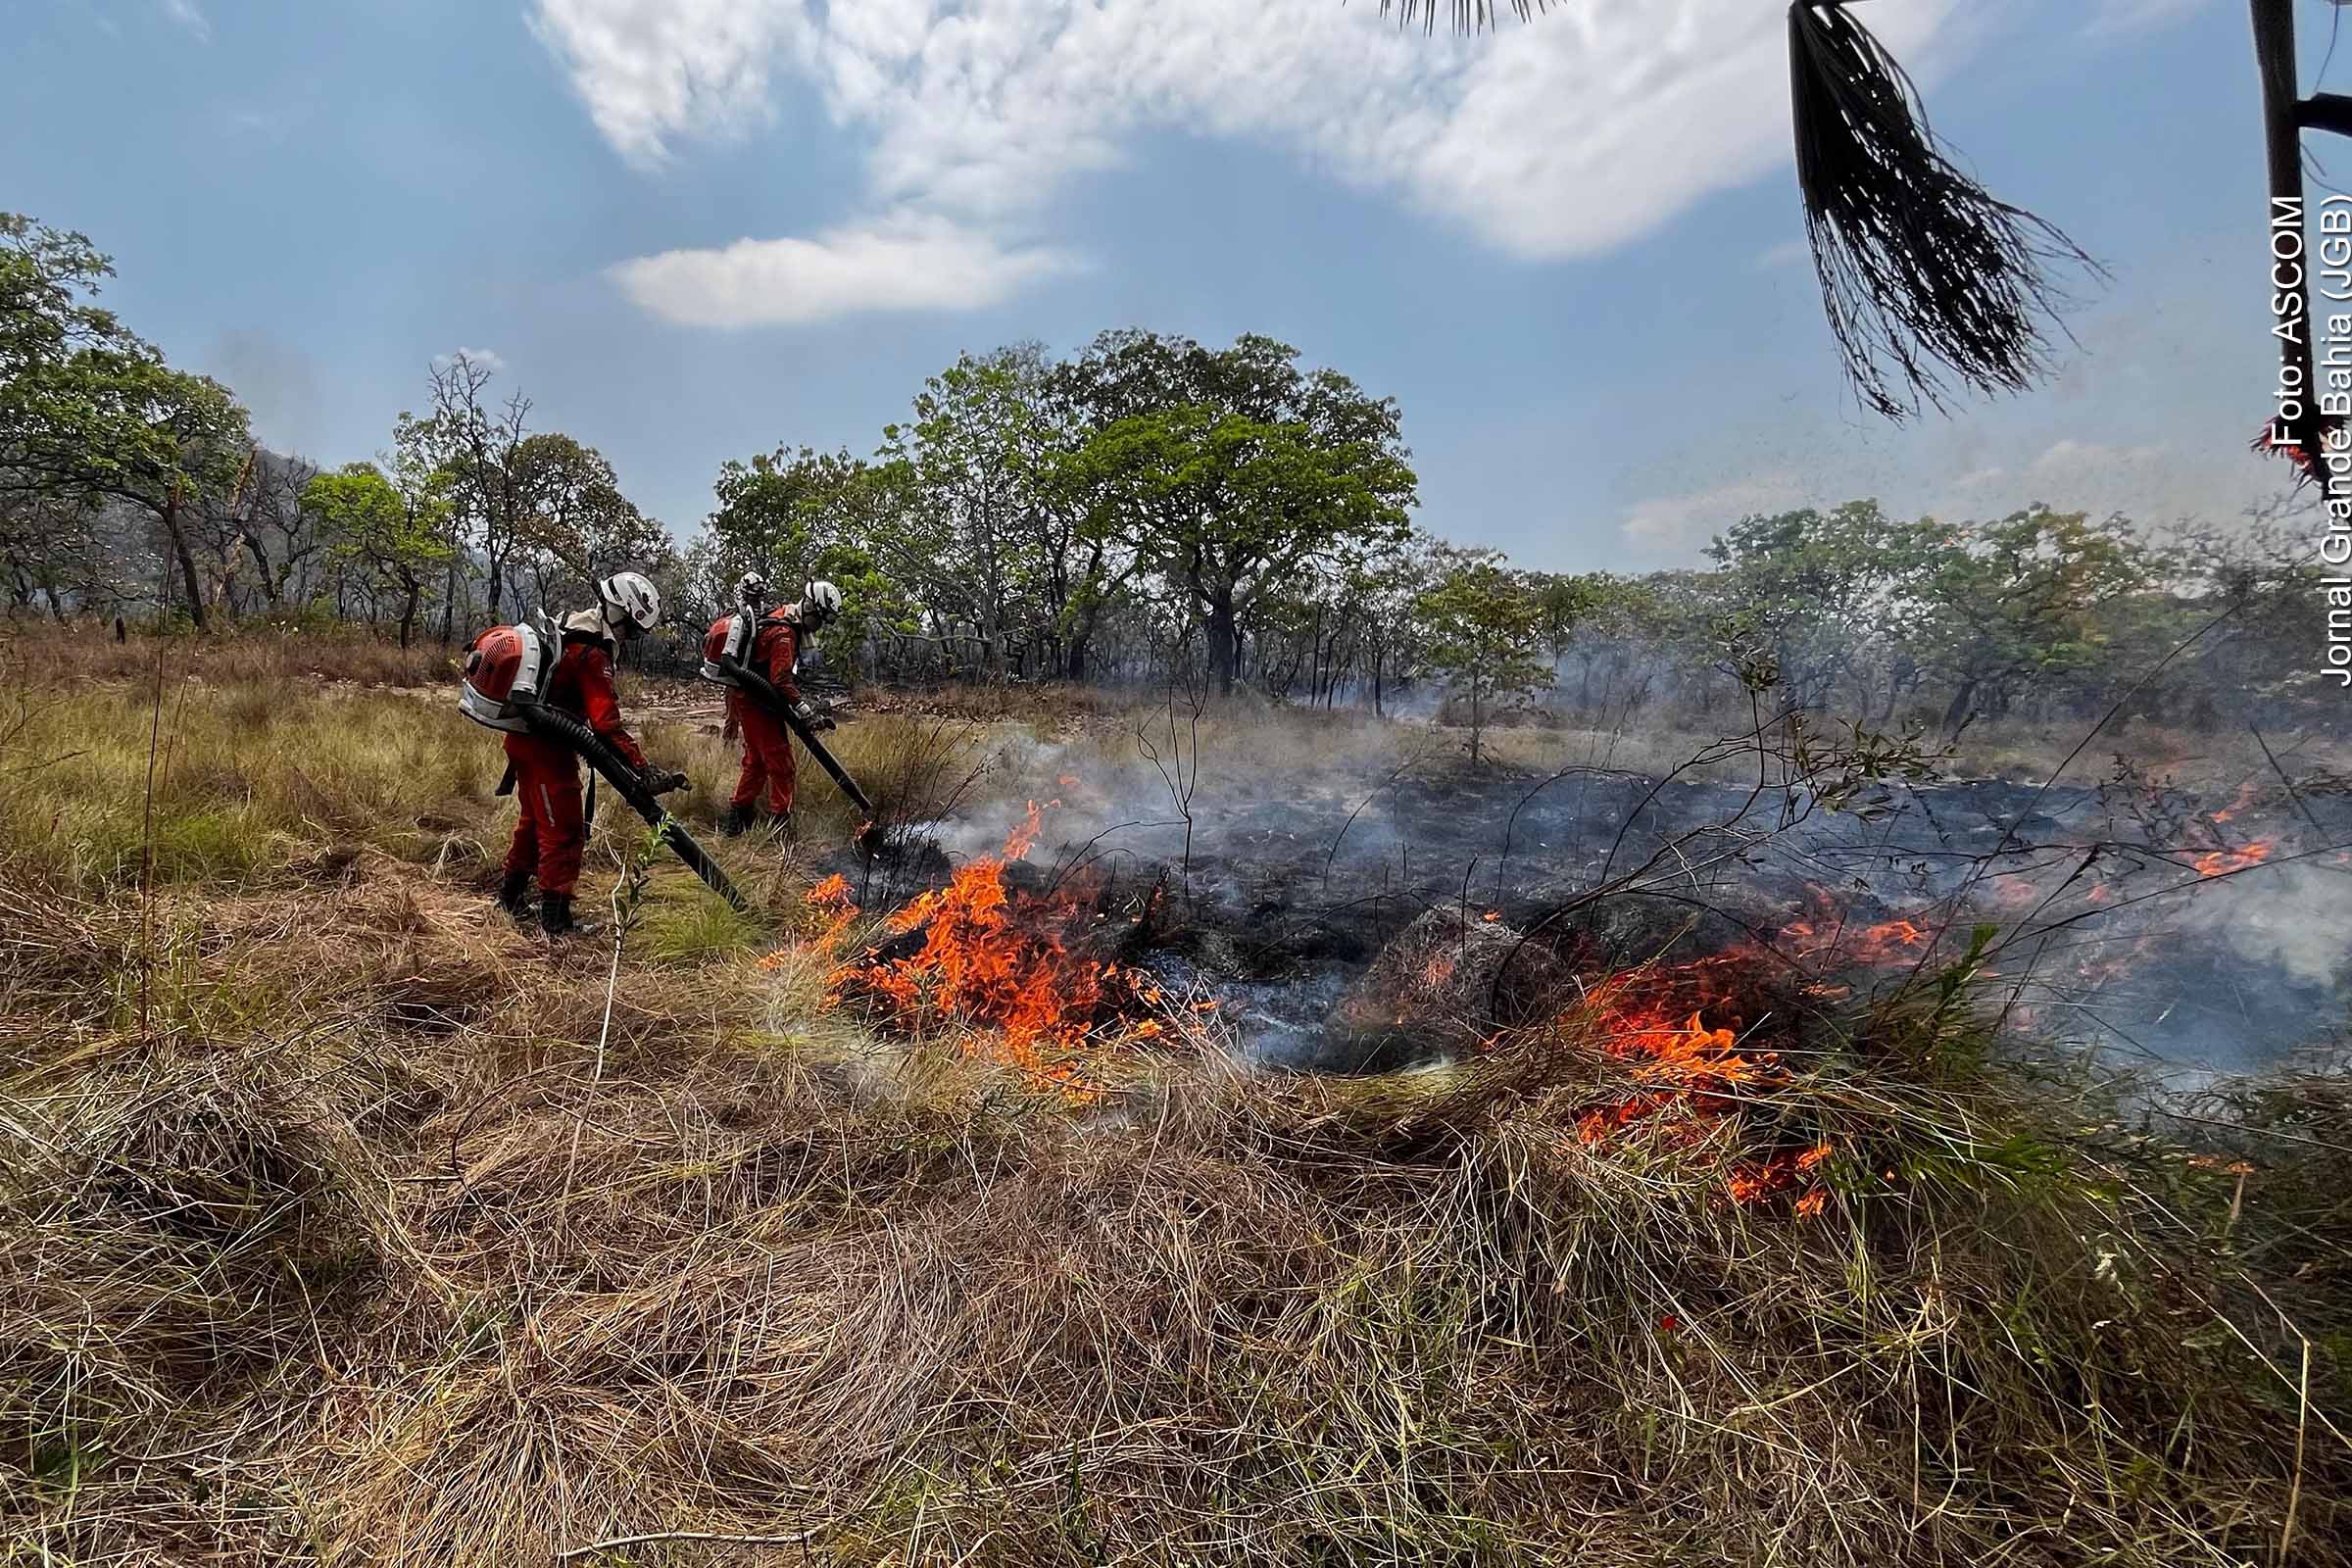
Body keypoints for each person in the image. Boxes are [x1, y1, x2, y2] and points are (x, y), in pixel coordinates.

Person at [494, 570, 687, 937]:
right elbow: (605, 723)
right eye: (631, 629)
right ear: (620, 613)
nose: (630, 638)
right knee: (564, 831)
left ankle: (510, 899)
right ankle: (555, 920)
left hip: (526, 741)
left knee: (534, 824)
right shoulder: (592, 653)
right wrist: (644, 769)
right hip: (545, 750)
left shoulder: (572, 626)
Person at [720, 579, 843, 836]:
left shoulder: (783, 615)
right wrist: (805, 710)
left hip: (753, 698)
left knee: (756, 762)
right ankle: (779, 827)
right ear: (809, 608)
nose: (819, 626)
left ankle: (737, 821)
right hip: (757, 702)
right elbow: (781, 680)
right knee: (781, 763)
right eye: (819, 619)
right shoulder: (784, 634)